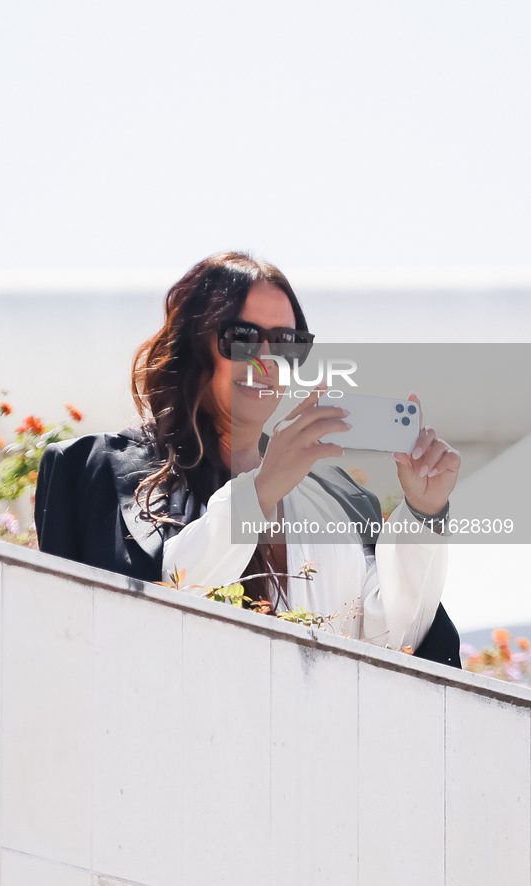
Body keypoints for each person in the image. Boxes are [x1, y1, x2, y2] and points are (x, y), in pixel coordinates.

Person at [35, 251, 462, 667]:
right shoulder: (99, 472)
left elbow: (393, 642)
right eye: (241, 337)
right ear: (193, 345)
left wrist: (424, 514)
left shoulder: (340, 497)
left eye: (286, 342)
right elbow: (151, 619)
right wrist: (261, 491)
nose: (265, 359)